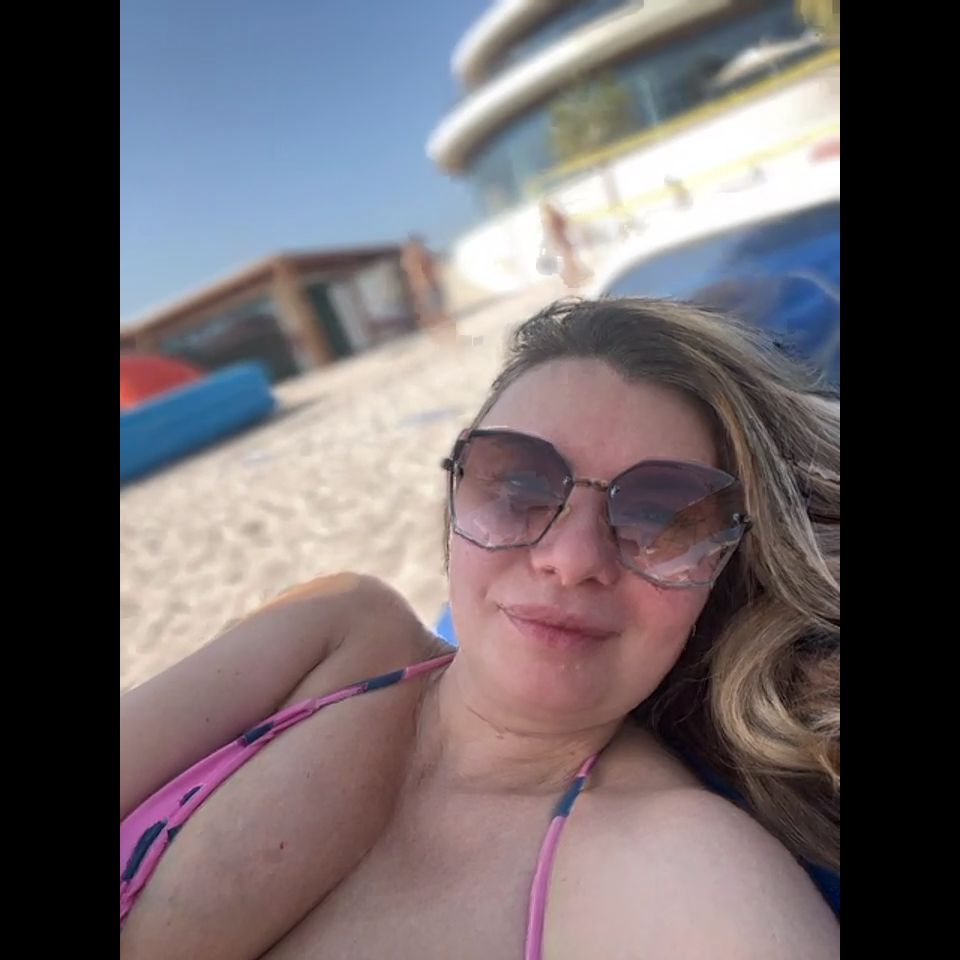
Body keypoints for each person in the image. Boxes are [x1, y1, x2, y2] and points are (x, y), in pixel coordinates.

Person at [120, 297, 840, 958]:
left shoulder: (680, 867)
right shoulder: (334, 629)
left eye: (663, 516)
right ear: (460, 484)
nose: (570, 559)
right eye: (521, 481)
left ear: (721, 567)